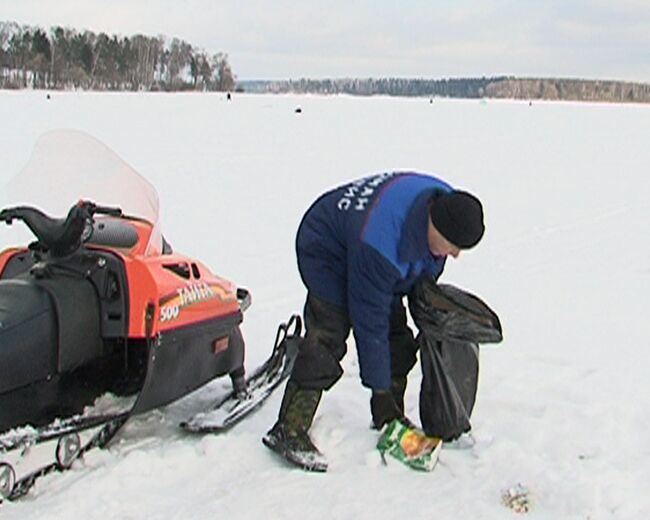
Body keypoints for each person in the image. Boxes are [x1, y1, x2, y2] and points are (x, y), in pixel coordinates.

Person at [263, 171, 485, 471]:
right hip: (326, 247)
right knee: (328, 335)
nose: (455, 255)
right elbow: (370, 325)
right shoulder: (382, 245)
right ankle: (289, 428)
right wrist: (377, 389)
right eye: (452, 245)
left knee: (397, 337)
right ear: (435, 225)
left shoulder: (445, 204)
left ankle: (388, 416)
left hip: (370, 241)